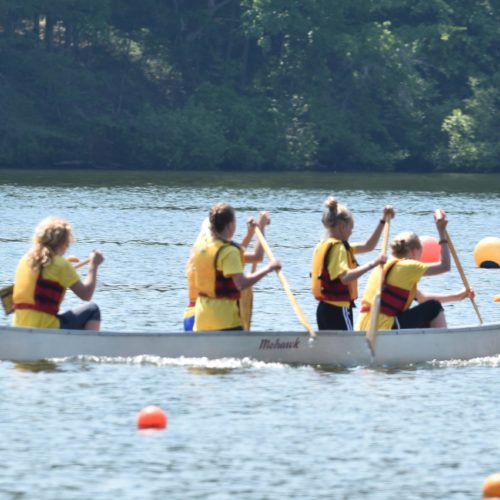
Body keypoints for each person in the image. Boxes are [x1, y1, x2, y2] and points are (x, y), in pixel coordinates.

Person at [356, 210, 474, 331]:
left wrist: (458, 296)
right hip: (383, 328)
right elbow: (445, 266)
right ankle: (443, 346)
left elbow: (422, 298)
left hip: (364, 328)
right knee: (434, 308)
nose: (420, 259)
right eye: (420, 254)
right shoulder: (406, 266)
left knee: (426, 312)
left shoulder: (384, 265)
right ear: (413, 251)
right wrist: (441, 232)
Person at [192, 203, 281, 331]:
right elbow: (241, 284)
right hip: (225, 322)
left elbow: (256, 256)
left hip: (201, 321)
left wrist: (260, 227)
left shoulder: (201, 247)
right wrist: (269, 268)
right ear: (229, 226)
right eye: (235, 221)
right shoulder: (229, 252)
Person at [311, 196, 394, 330]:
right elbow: (345, 278)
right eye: (351, 227)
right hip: (338, 309)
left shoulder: (328, 245)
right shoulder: (338, 248)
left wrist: (383, 220)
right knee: (349, 349)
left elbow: (369, 246)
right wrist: (373, 264)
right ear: (343, 226)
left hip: (324, 309)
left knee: (332, 350)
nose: (352, 231)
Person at [12, 217, 104, 330]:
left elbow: (45, 276)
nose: (67, 248)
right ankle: (89, 347)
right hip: (47, 328)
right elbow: (86, 295)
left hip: (19, 328)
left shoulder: (25, 261)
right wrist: (93, 266)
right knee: (92, 310)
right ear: (63, 242)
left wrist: (67, 269)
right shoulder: (61, 265)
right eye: (67, 245)